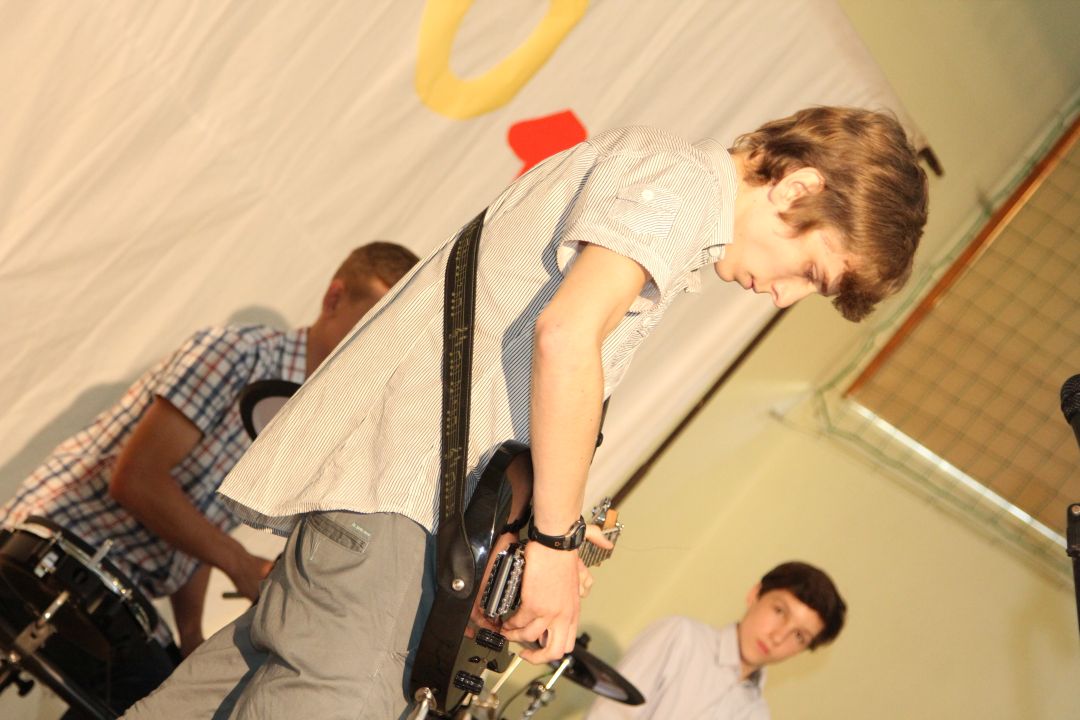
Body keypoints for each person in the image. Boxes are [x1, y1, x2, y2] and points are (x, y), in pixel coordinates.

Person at [124, 106, 928, 720]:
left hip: (380, 506)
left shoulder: (659, 186)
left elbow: (507, 369)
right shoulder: (681, 187)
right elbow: (565, 337)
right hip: (398, 512)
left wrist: (530, 529)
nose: (784, 297)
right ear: (797, 188)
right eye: (811, 272)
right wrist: (553, 543)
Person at [0, 242, 419, 715]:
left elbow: (194, 524)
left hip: (113, 590)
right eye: (372, 322)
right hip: (50, 551)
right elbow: (137, 482)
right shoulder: (238, 353)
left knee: (180, 697)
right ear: (334, 298)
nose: (375, 345)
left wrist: (191, 636)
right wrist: (239, 561)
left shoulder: (308, 416)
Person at [586, 561, 847, 719]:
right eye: (779, 611)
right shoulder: (680, 636)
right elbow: (608, 714)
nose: (778, 637)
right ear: (755, 594)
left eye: (799, 636)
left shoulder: (757, 715)